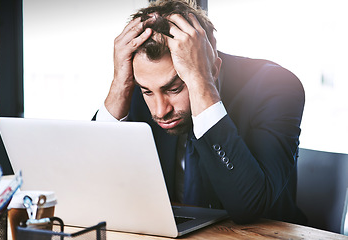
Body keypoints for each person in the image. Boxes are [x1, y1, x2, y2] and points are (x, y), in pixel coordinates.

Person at [94, 0, 307, 225]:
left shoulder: (277, 86)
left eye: (175, 89)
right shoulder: (145, 81)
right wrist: (120, 84)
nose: (160, 110)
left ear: (214, 68)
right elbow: (92, 187)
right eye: (146, 91)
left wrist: (201, 82)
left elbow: (249, 207)